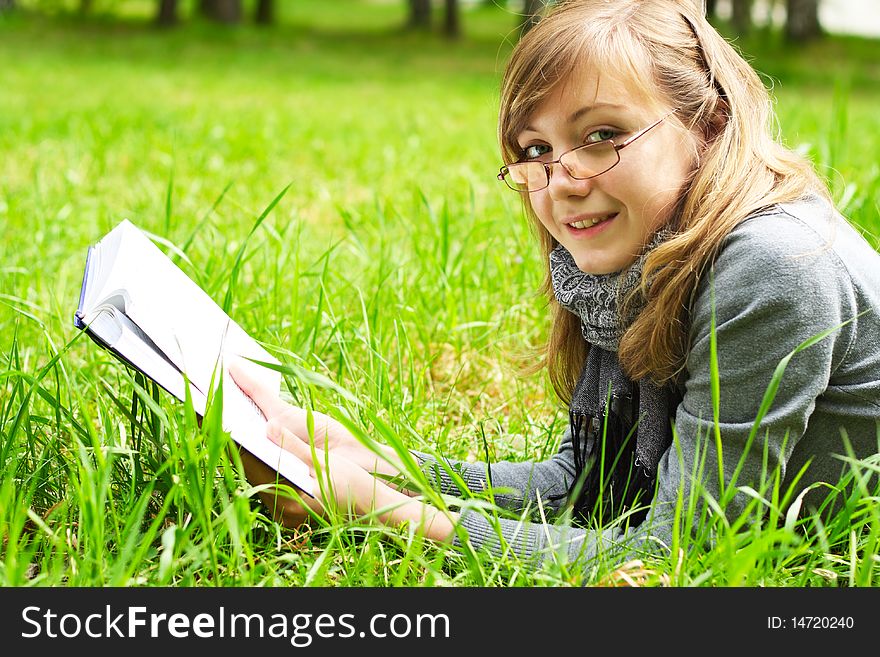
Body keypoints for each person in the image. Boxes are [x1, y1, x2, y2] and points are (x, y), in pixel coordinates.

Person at [230, 0, 880, 573]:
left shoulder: (772, 266)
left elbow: (678, 556)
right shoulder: (628, 257)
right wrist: (375, 461)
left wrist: (395, 514)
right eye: (535, 148)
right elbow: (581, 483)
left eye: (603, 136)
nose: (560, 179)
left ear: (707, 124)